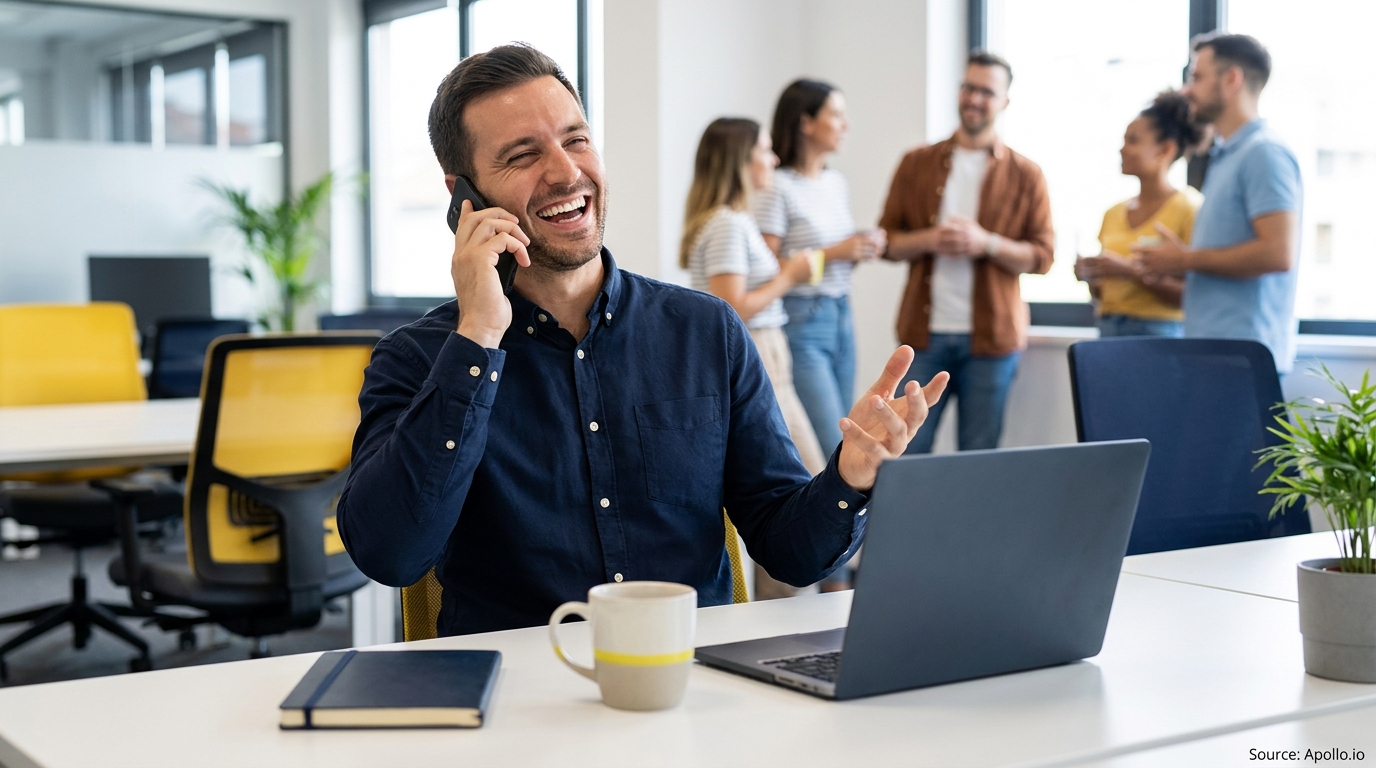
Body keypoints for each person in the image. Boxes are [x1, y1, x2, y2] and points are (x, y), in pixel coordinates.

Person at [334, 44, 949, 636]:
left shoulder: (706, 332)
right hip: (520, 710)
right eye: (523, 155)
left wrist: (850, 478)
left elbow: (790, 553)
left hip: (692, 693)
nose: (567, 171)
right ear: (463, 197)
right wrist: (479, 338)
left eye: (576, 139)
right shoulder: (419, 358)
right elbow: (391, 555)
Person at [878, 51, 1054, 454]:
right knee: (905, 453)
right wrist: (929, 239)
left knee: (979, 456)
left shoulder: (1027, 174)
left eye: (986, 92)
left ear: (1004, 102)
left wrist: (984, 243)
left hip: (991, 342)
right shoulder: (915, 162)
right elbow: (887, 241)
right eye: (968, 87)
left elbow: (1043, 256)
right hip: (922, 338)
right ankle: (908, 522)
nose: (974, 99)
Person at [681, 117, 827, 601]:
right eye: (765, 149)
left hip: (773, 357)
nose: (774, 159)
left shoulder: (735, 221)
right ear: (741, 161)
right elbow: (733, 308)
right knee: (801, 499)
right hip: (757, 358)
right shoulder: (725, 224)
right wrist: (791, 274)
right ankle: (786, 624)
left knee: (801, 492)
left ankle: (789, 614)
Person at [1137, 33, 1302, 373]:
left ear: (1231, 79)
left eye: (1197, 77)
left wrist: (1186, 259)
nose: (1187, 90)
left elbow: (1277, 253)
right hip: (1216, 354)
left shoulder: (1263, 153)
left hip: (1241, 359)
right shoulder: (1229, 155)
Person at [754, 79, 887, 459]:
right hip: (802, 319)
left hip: (841, 312)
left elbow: (828, 255)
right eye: (836, 115)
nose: (845, 124)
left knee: (850, 433)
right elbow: (769, 267)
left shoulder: (835, 183)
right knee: (833, 446)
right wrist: (835, 252)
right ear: (806, 122)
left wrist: (858, 249)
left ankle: (850, 521)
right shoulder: (776, 187)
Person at [1075, 91, 1202, 338]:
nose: (1122, 149)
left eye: (1133, 140)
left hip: (1159, 334)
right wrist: (1091, 275)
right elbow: (1102, 294)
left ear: (1165, 150)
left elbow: (1193, 295)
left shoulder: (1189, 208)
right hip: (1108, 328)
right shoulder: (1112, 213)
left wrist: (1129, 270)